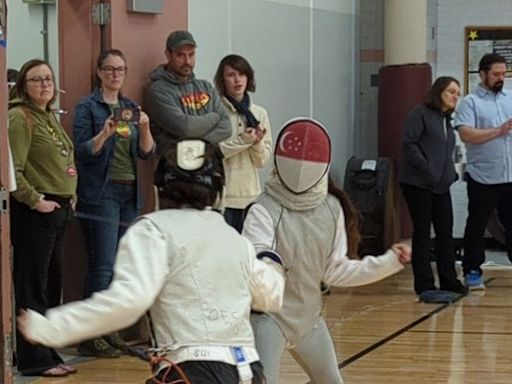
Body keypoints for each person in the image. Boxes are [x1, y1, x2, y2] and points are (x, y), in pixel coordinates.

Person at [17, 139, 285, 384]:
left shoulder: (152, 230)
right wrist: (270, 262)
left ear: (160, 188)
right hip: (248, 371)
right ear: (217, 191)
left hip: (191, 372)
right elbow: (271, 295)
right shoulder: (234, 239)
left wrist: (52, 327)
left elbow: (128, 302)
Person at [242, 118, 411, 384]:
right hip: (267, 321)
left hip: (309, 319)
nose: (299, 169)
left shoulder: (331, 208)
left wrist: (389, 262)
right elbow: (254, 269)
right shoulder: (264, 209)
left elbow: (336, 271)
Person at [72, 49, 155, 358]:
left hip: (129, 193)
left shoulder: (131, 107)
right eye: (109, 69)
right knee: (102, 264)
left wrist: (145, 128)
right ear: (99, 72)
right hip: (101, 193)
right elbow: (82, 151)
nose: (115, 75)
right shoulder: (87, 107)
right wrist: (104, 133)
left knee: (120, 266)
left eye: (120, 69)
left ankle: (110, 330)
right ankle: (90, 333)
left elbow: (147, 153)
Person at [9, 59, 77, 377]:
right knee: (32, 284)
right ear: (24, 85)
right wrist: (36, 201)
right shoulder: (20, 118)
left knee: (52, 284)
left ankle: (49, 350)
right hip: (35, 213)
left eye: (49, 79)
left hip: (59, 211)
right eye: (37, 80)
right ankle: (33, 358)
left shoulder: (48, 117)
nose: (45, 85)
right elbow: (13, 171)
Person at [398, 76, 467, 299]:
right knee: (423, 232)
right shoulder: (420, 113)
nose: (456, 96)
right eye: (451, 92)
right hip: (418, 183)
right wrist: (427, 169)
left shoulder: (447, 120)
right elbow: (409, 144)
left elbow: (445, 153)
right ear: (439, 93)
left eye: (457, 92)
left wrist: (450, 174)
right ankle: (425, 284)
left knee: (445, 231)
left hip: (440, 184)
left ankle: (449, 280)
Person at [454, 53, 512, 290]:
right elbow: (466, 134)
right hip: (483, 176)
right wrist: (498, 131)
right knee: (477, 224)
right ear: (483, 74)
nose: (501, 78)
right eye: (496, 74)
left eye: (503, 74)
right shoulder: (470, 102)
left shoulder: (510, 98)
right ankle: (472, 270)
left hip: (509, 175)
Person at [146, 30, 231, 157]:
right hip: (175, 166)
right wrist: (214, 117)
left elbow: (226, 127)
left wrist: (197, 145)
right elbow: (187, 128)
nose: (187, 61)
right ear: (168, 55)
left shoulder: (205, 87)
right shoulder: (159, 90)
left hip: (208, 166)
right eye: (180, 55)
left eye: (191, 55)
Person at [213, 54, 272, 232]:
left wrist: (256, 143)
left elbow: (261, 161)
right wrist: (244, 140)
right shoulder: (216, 111)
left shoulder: (259, 114)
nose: (237, 80)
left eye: (242, 74)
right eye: (231, 75)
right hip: (223, 196)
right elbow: (215, 153)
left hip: (250, 196)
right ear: (223, 81)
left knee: (249, 250)